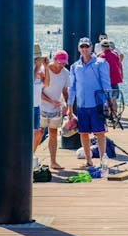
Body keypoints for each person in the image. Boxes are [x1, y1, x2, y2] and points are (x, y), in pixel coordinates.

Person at [67, 37, 111, 167]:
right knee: (83, 133)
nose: (84, 49)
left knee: (100, 133)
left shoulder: (101, 63)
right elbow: (72, 87)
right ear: (79, 49)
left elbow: (106, 83)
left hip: (97, 103)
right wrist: (69, 106)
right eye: (82, 47)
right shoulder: (75, 66)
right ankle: (89, 161)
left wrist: (109, 101)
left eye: (87, 46)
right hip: (81, 105)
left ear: (91, 47)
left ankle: (103, 160)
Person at [40, 49, 69, 170]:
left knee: (53, 133)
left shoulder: (65, 73)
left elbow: (65, 91)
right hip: (42, 107)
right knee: (39, 133)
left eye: (64, 63)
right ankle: (30, 159)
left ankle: (53, 161)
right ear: (54, 60)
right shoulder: (43, 70)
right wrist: (51, 101)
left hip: (56, 108)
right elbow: (38, 91)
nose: (62, 65)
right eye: (60, 62)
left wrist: (66, 105)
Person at [33, 44, 49, 154]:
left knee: (38, 132)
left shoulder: (41, 68)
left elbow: (47, 83)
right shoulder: (27, 66)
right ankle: (28, 155)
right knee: (34, 132)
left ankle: (31, 154)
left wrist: (46, 67)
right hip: (27, 105)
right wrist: (37, 67)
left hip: (37, 105)